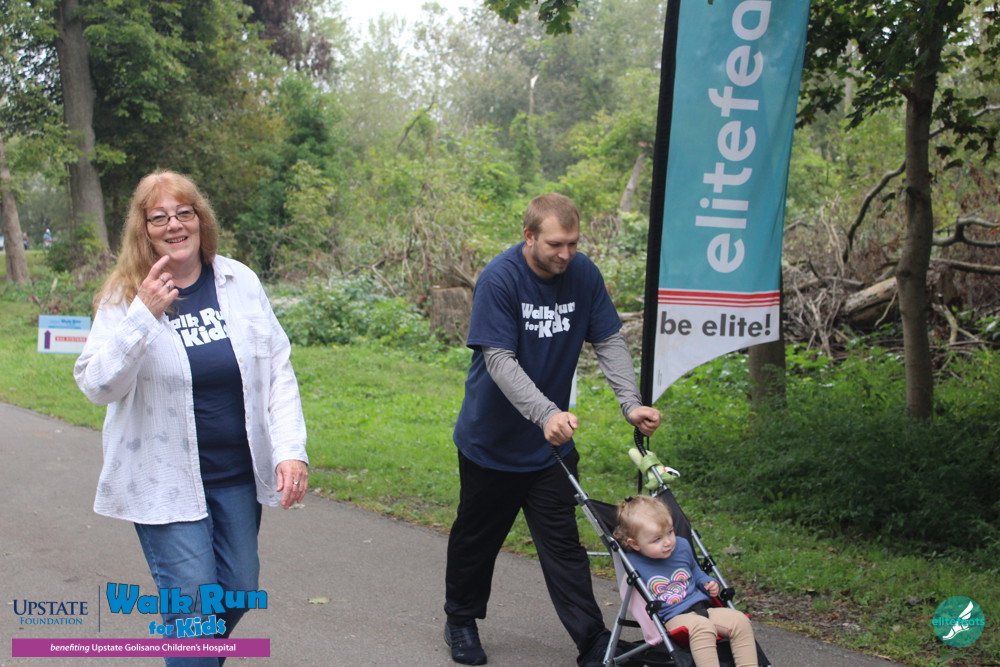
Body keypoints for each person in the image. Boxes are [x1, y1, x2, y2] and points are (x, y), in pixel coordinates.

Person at [75, 170, 309, 666]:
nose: (174, 225)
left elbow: (278, 370)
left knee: (239, 589)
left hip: (234, 477)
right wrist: (143, 316)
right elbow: (97, 386)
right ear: (144, 229)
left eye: (184, 213)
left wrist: (290, 450)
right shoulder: (125, 297)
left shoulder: (238, 281)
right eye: (159, 217)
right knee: (197, 612)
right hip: (164, 481)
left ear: (201, 219)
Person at [443, 193, 662, 666]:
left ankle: (592, 642)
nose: (566, 254)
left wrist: (630, 404)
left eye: (573, 243)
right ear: (529, 236)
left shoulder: (583, 275)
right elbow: (499, 360)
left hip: (551, 449)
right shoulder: (500, 278)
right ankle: (460, 620)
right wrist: (546, 414)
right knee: (477, 541)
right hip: (491, 444)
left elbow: (608, 340)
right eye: (555, 244)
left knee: (564, 547)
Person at [614, 496, 759, 667]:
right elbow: (631, 596)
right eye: (657, 539)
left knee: (740, 620)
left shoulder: (681, 546)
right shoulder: (633, 562)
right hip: (674, 617)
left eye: (670, 532)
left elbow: (695, 572)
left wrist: (708, 582)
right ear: (635, 544)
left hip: (703, 608)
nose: (668, 542)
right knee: (702, 627)